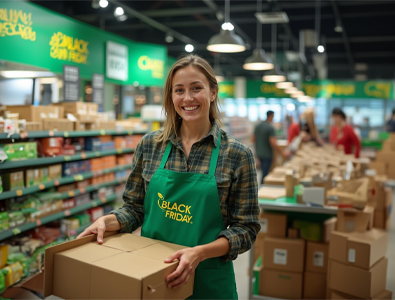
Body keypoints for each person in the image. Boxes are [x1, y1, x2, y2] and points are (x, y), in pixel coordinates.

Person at [77, 55, 260, 299]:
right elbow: (134, 209)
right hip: (153, 275)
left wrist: (199, 253)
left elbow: (246, 228)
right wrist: (107, 222)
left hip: (208, 278)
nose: (188, 98)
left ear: (213, 92)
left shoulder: (237, 154)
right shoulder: (150, 146)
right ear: (170, 97)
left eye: (197, 88)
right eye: (179, 90)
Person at [253, 111, 290, 184]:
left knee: (262, 171)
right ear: (271, 116)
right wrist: (282, 152)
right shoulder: (270, 128)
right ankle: (263, 189)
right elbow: (273, 142)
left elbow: (253, 139)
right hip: (267, 154)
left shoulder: (258, 126)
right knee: (266, 174)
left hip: (259, 153)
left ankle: (261, 187)